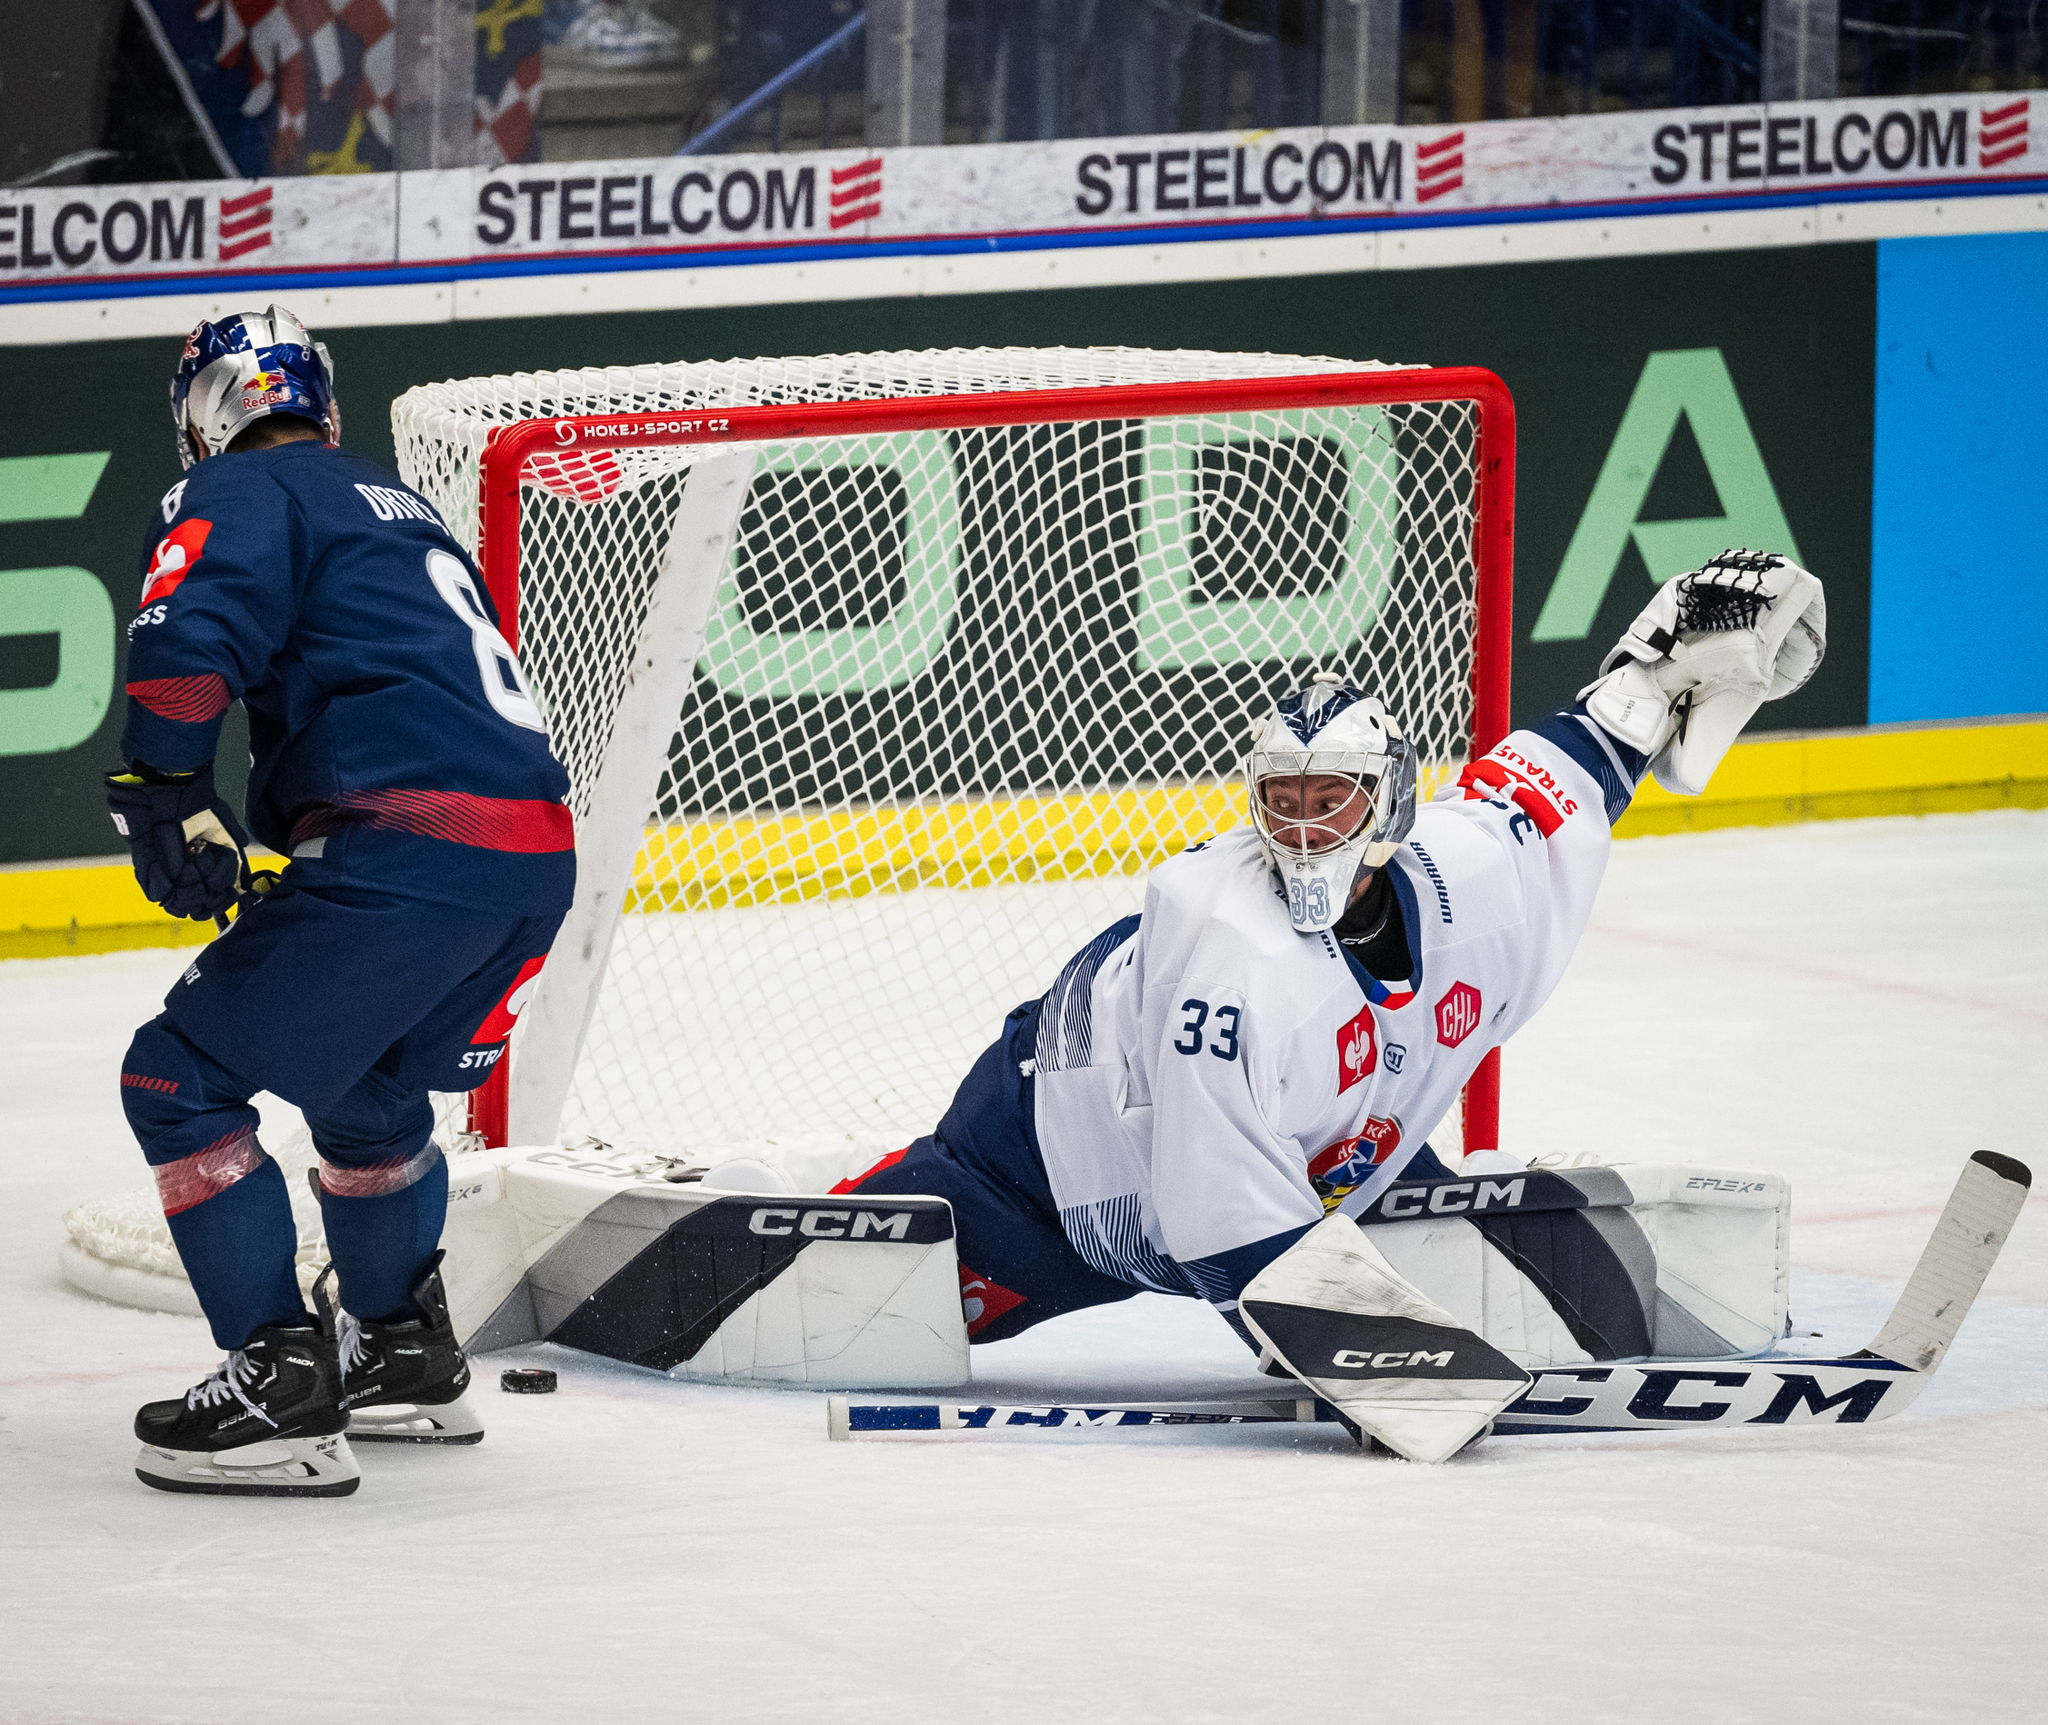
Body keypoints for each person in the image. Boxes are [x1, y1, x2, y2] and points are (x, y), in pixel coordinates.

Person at [835, 550, 1826, 1446]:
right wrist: (1368, 1369)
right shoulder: (1229, 963)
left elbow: (1576, 766)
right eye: (1285, 801)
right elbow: (1219, 1229)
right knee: (858, 1312)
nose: (1306, 829)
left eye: (1333, 800)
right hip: (1048, 1170)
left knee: (1481, 1261)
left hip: (1336, 1160)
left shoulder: (1471, 875)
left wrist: (1661, 666)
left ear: (1390, 800)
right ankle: (822, 1187)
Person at [109, 307, 576, 1497]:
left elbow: (181, 646)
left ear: (205, 413)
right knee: (365, 1093)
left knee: (175, 1078)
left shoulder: (246, 493)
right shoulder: (398, 508)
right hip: (529, 857)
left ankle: (275, 1382)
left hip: (404, 847)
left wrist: (162, 795)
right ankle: (405, 1357)